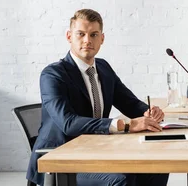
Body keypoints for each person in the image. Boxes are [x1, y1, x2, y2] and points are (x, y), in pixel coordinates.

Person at [26, 9, 169, 186]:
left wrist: (148, 112)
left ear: (102, 38)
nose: (87, 40)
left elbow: (129, 103)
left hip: (95, 151)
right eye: (81, 34)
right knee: (120, 180)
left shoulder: (103, 68)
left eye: (94, 34)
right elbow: (68, 123)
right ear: (69, 36)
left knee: (157, 166)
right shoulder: (53, 75)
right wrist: (126, 125)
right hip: (60, 160)